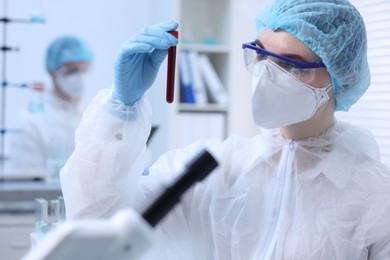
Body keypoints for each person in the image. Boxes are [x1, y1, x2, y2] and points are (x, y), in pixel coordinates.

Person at [60, 0, 390, 259]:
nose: (266, 75)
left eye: (290, 64)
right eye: (261, 54)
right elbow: (97, 221)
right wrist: (122, 107)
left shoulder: (374, 196)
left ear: (340, 74)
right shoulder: (213, 170)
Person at [8, 36, 93, 175]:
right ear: (53, 71)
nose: (79, 77)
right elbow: (27, 185)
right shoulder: (30, 123)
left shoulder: (88, 113)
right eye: (71, 70)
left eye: (83, 69)